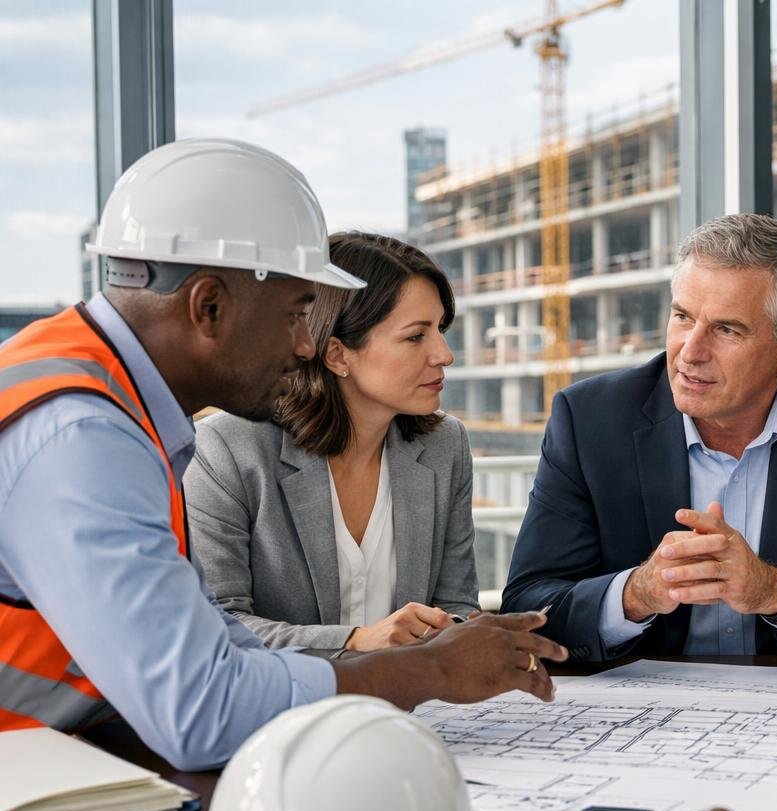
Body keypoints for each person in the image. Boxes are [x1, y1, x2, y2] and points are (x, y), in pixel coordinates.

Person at [0, 139, 565, 774]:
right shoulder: (84, 438)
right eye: (298, 312)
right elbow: (202, 712)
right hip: (30, 793)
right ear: (209, 307)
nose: (305, 345)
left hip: (56, 770)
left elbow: (214, 648)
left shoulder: (99, 398)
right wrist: (426, 668)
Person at [501, 212, 777, 662]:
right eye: (682, 317)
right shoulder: (590, 420)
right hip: (643, 710)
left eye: (726, 329)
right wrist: (636, 594)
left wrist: (776, 591)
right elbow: (527, 607)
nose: (691, 352)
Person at [185, 231, 480, 652]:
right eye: (416, 336)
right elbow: (216, 625)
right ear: (338, 354)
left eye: (440, 330)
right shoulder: (227, 450)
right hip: (283, 711)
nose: (444, 354)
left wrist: (455, 630)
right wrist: (356, 642)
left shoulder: (444, 445)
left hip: (411, 711)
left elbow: (457, 605)